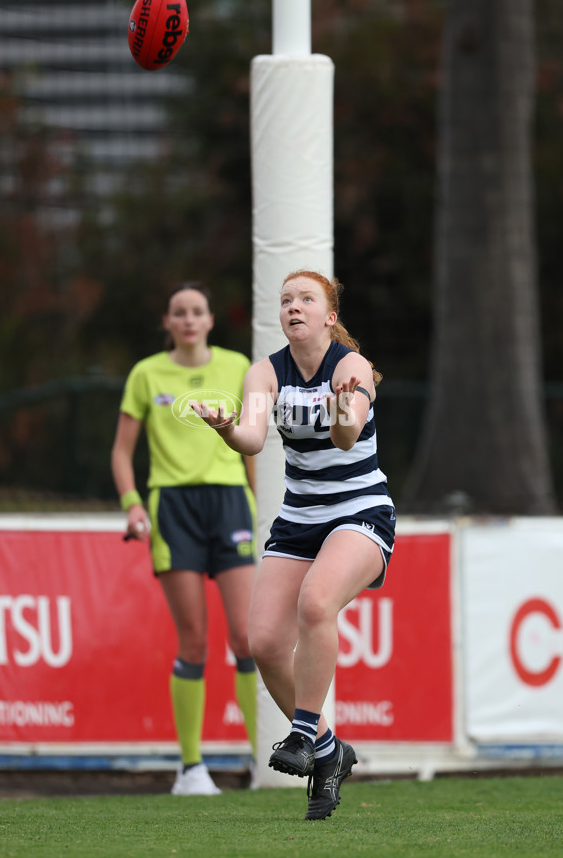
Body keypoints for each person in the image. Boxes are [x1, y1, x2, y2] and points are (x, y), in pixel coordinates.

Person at [191, 269, 396, 820]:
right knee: (262, 641)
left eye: (306, 299)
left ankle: (304, 735)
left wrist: (341, 406)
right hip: (300, 518)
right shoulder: (265, 373)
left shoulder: (349, 368)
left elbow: (346, 435)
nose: (294, 307)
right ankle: (329, 752)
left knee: (315, 602)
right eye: (286, 301)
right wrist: (225, 427)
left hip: (360, 510)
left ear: (329, 316)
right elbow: (253, 440)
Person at [111, 282, 258, 796]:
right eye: (180, 312)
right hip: (172, 507)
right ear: (168, 322)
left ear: (211, 319)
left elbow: (252, 447)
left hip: (231, 502)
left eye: (197, 311)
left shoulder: (238, 365)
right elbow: (122, 453)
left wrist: (259, 510)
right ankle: (191, 769)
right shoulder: (147, 373)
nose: (190, 319)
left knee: (247, 637)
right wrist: (133, 506)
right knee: (194, 640)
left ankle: (265, 761)